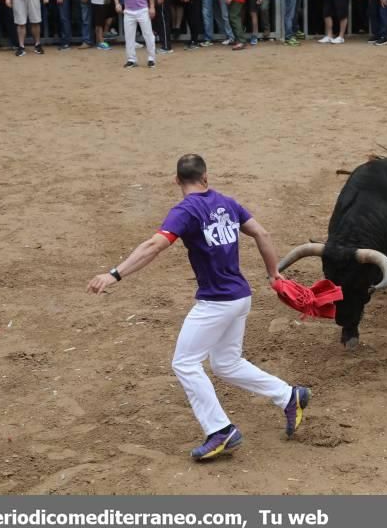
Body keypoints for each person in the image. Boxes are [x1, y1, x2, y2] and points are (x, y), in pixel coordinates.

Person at [86, 155, 312, 462]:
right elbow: (263, 233)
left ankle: (220, 430)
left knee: (185, 363)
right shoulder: (228, 203)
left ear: (177, 181)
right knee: (226, 363)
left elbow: (154, 245)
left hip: (216, 303)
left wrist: (114, 274)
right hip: (240, 297)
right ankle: (288, 395)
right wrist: (273, 274)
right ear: (205, 177)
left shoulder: (186, 210)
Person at [114, 0, 156, 66]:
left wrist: (152, 7)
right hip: (128, 11)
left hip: (143, 9)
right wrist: (117, 3)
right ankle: (131, 59)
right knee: (129, 37)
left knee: (148, 35)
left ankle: (151, 58)